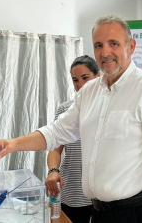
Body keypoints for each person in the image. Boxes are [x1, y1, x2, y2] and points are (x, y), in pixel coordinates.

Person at [0, 14, 142, 223]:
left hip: (140, 212)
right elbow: (57, 132)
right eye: (98, 45)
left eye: (113, 43)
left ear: (131, 46)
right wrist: (12, 144)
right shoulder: (89, 92)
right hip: (100, 213)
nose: (105, 52)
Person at [45, 55, 100, 223]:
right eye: (75, 80)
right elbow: (55, 147)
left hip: (101, 191)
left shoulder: (108, 108)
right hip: (73, 191)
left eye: (85, 78)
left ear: (98, 76)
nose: (80, 85)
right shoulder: (65, 109)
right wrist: (53, 171)